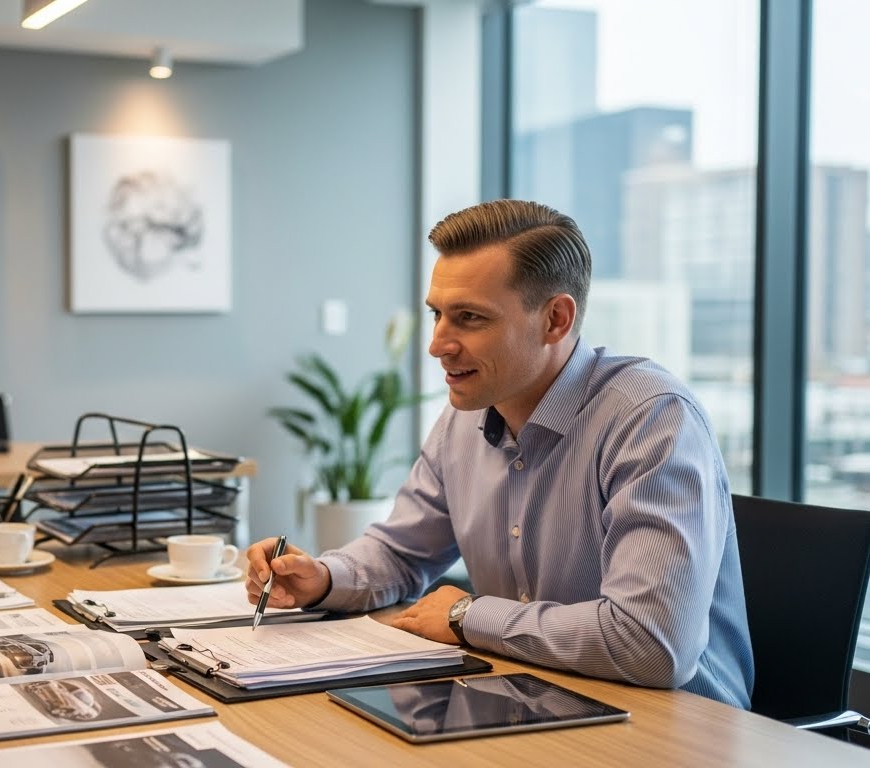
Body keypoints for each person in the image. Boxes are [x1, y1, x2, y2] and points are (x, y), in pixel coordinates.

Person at [247, 199, 754, 708]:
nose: (438, 344)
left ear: (555, 319)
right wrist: (323, 578)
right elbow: (401, 552)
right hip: (529, 701)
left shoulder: (651, 418)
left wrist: (467, 615)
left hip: (672, 730)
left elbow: (651, 645)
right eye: (437, 315)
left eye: (469, 318)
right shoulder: (464, 419)